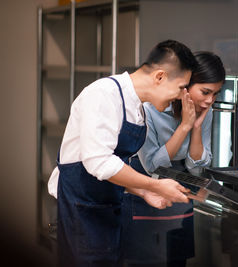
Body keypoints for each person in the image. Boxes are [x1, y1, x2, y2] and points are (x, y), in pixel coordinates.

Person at [47, 40, 198, 267]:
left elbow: (114, 167)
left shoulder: (137, 107)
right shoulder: (103, 95)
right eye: (180, 88)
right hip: (82, 213)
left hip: (108, 212)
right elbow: (99, 163)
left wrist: (142, 192)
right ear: (159, 77)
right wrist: (154, 186)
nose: (180, 97)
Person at [121, 51, 226, 267]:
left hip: (179, 197)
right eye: (205, 92)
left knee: (176, 261)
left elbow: (197, 170)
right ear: (185, 85)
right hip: (144, 192)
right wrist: (185, 126)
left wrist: (196, 127)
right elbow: (152, 167)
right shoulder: (150, 107)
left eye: (215, 94)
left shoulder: (205, 108)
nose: (209, 101)